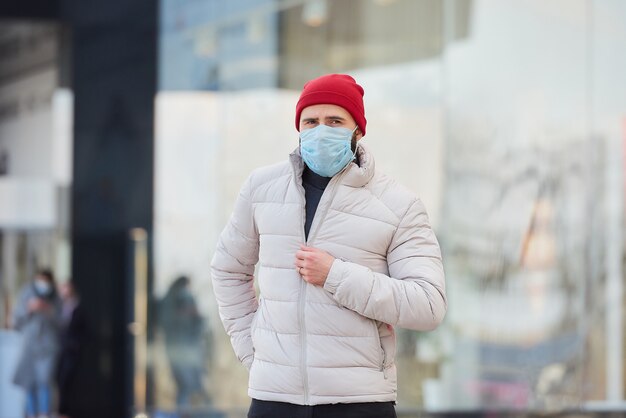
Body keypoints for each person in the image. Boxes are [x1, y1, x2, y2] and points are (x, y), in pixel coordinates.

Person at [211, 73, 447, 418]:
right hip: (274, 401)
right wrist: (255, 352)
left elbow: (428, 305)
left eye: (335, 121)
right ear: (299, 128)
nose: (321, 130)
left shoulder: (398, 204)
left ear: (358, 130)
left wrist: (336, 275)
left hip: (359, 403)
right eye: (311, 121)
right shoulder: (261, 189)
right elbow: (227, 269)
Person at [11, 268, 62, 418]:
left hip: (48, 347)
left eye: (46, 281)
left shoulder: (55, 298)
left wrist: (48, 310)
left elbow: (61, 322)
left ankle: (44, 414)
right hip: (29, 345)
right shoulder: (27, 293)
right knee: (28, 382)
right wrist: (29, 308)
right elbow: (16, 320)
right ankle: (31, 414)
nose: (43, 284)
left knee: (44, 381)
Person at [159, 276, 211, 412]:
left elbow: (199, 325)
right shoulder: (171, 302)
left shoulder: (172, 301)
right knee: (187, 386)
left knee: (194, 387)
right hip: (182, 349)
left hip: (187, 349)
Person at [55, 280, 87, 418]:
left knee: (66, 381)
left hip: (71, 351)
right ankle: (60, 411)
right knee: (58, 380)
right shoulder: (58, 306)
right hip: (58, 350)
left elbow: (84, 331)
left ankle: (64, 412)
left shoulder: (78, 308)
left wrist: (75, 345)